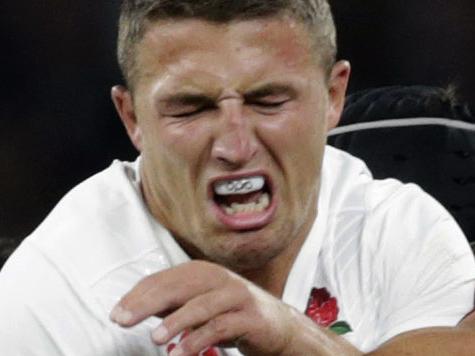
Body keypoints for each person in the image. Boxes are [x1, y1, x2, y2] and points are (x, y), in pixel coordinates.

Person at [0, 1, 474, 355]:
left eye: (269, 101)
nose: (235, 145)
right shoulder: (52, 297)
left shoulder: (391, 228)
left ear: (334, 95)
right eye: (190, 107)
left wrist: (291, 338)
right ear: (132, 119)